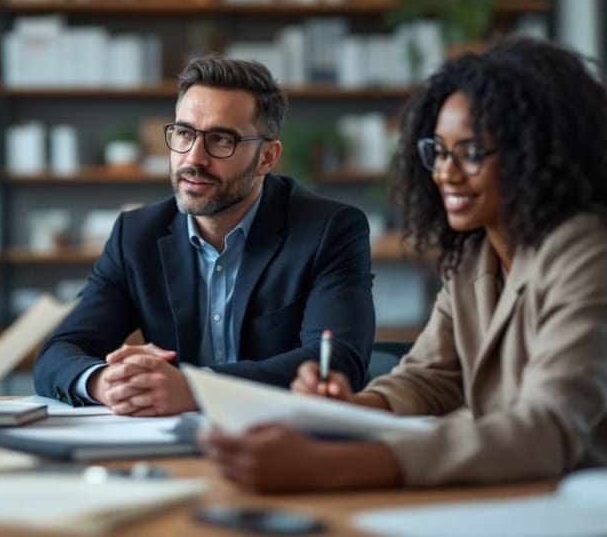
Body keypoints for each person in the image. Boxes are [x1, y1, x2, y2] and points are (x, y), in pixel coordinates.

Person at [200, 37, 607, 492]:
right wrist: (347, 411)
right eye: (439, 152)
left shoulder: (591, 249)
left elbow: (545, 430)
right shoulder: (475, 251)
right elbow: (429, 378)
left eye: (470, 153)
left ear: (537, 153)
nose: (445, 172)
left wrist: (328, 464)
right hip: (521, 493)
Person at [34, 55, 376, 416]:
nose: (193, 157)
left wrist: (197, 389)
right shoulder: (135, 236)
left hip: (288, 441)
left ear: (267, 157)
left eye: (221, 139)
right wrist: (106, 382)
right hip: (171, 446)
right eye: (184, 133)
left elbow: (338, 364)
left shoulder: (329, 229)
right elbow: (59, 351)